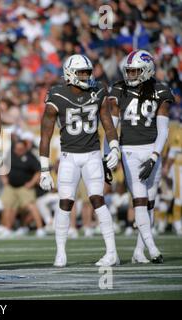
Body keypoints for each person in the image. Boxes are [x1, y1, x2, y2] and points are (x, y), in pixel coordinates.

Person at [39, 54, 121, 267]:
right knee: (65, 203)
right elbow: (45, 135)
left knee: (97, 200)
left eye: (87, 72)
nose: (85, 76)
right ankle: (60, 253)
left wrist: (114, 148)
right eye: (81, 73)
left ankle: (112, 252)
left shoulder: (98, 90)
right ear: (69, 74)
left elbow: (108, 123)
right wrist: (44, 169)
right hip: (68, 157)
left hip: (93, 155)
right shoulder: (56, 95)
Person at [108, 50, 173, 263]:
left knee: (150, 202)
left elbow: (163, 129)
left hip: (152, 148)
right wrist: (108, 152)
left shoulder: (161, 90)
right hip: (129, 151)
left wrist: (155, 155)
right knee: (140, 200)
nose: (130, 75)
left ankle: (139, 251)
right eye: (129, 71)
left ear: (147, 70)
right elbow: (113, 124)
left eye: (135, 71)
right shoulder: (119, 88)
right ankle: (153, 248)